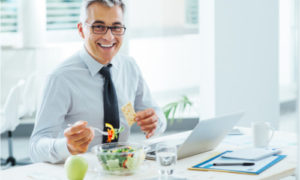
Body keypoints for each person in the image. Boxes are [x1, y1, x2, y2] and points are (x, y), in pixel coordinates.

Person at [29, 0, 166, 163]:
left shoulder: (130, 67)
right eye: (98, 27)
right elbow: (35, 147)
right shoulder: (60, 78)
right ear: (81, 30)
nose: (109, 36)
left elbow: (156, 115)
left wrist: (154, 122)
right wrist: (67, 146)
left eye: (116, 27)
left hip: (123, 169)